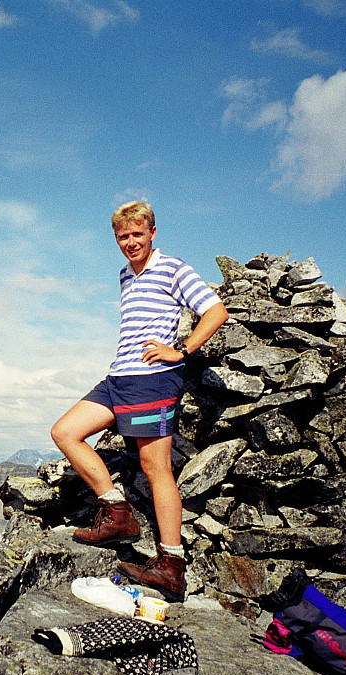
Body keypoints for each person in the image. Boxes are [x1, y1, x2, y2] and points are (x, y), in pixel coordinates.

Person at [50, 200, 228, 602]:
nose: (130, 242)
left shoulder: (173, 268)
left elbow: (216, 311)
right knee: (65, 432)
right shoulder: (124, 276)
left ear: (152, 232)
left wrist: (181, 350)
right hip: (118, 378)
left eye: (137, 234)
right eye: (122, 236)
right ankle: (117, 512)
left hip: (152, 380)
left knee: (156, 469)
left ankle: (171, 565)